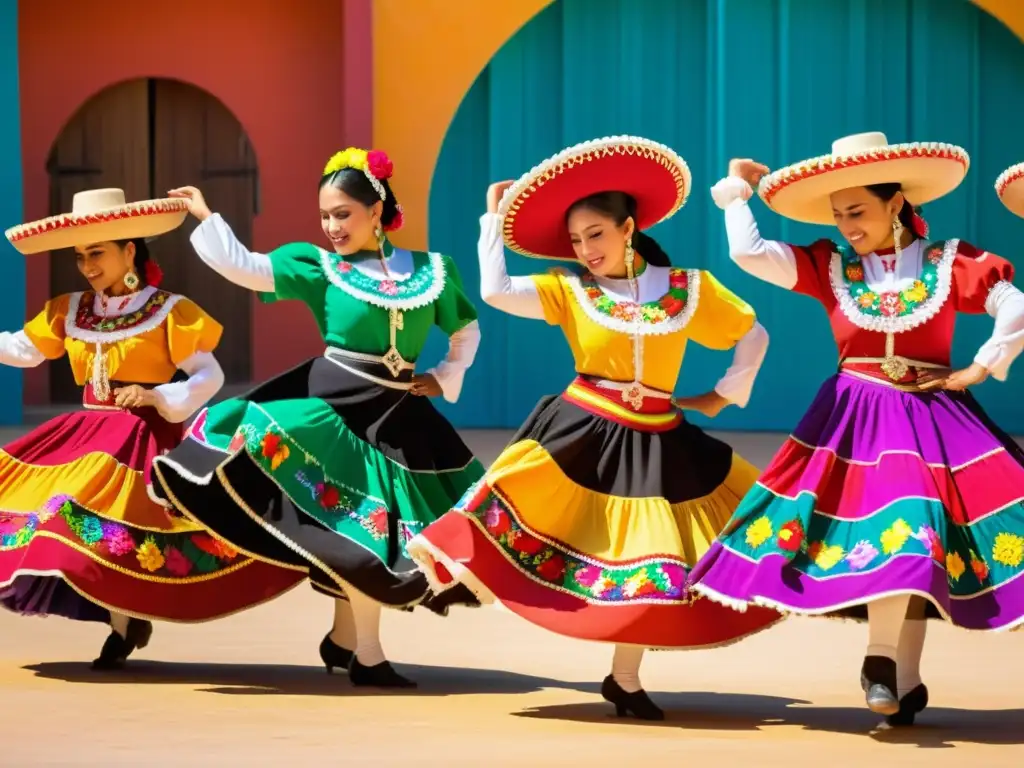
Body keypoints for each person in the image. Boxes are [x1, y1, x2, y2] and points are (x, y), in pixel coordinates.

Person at [408, 135, 782, 720]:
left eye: (596, 235)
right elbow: (494, 292)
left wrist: (719, 396)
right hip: (584, 429)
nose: (585, 249)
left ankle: (624, 679)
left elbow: (753, 334)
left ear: (628, 227)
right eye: (577, 240)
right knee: (539, 524)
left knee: (652, 561)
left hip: (660, 437)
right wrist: (491, 219)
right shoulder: (571, 290)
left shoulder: (689, 288)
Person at [689, 132, 1024, 726]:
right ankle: (881, 663)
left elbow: (1013, 303)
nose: (847, 225)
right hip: (858, 420)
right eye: (839, 214)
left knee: (927, 542)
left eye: (858, 211)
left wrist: (981, 364)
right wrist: (737, 191)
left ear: (896, 204)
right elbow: (750, 254)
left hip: (930, 413)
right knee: (907, 530)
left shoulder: (949, 261)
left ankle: (904, 676)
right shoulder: (830, 265)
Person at [151, 148, 485, 688]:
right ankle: (368, 655)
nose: (331, 226)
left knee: (379, 530)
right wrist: (206, 217)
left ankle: (344, 639)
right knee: (365, 530)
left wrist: (445, 375)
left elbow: (465, 330)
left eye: (343, 214)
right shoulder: (320, 267)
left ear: (376, 211)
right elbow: (249, 269)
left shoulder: (432, 271)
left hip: (399, 414)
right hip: (334, 408)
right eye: (325, 216)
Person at [0, 188, 303, 669]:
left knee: (121, 523)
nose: (87, 265)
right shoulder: (70, 309)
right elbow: (25, 349)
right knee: (56, 510)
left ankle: (124, 624)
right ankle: (123, 621)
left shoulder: (168, 310)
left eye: (96, 253)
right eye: (80, 255)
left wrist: (156, 395)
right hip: (87, 431)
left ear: (129, 251)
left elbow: (210, 376)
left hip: (142, 435)